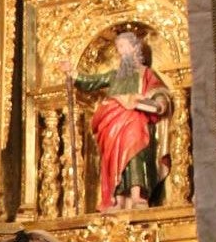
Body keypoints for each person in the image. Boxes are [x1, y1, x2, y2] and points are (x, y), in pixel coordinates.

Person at [63, 31, 173, 211]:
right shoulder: (114, 75)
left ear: (135, 48)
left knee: (136, 147)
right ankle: (118, 198)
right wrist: (72, 73)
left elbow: (159, 91)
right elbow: (92, 81)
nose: (120, 52)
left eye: (123, 47)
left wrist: (159, 102)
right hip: (112, 123)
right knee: (114, 158)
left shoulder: (145, 73)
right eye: (118, 48)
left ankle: (138, 195)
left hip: (137, 120)